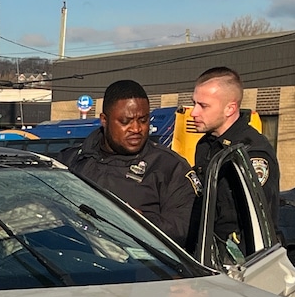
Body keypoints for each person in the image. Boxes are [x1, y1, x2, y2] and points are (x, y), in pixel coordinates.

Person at [60, 79, 197, 246]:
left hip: (142, 269)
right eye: (125, 121)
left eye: (143, 120)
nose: (136, 129)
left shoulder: (170, 167)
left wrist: (138, 222)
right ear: (104, 120)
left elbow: (187, 228)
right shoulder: (72, 161)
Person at [189, 66, 280, 253]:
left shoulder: (250, 153)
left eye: (203, 106)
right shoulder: (206, 145)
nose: (193, 113)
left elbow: (249, 222)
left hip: (241, 262)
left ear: (230, 108)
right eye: (194, 103)